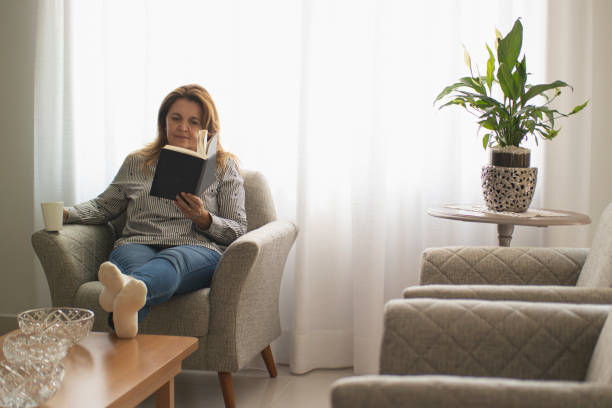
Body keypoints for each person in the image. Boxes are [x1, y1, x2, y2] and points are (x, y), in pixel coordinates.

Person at [63, 84, 247, 338]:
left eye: (194, 121)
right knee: (136, 273)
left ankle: (122, 294)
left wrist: (204, 219)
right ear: (164, 122)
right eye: (176, 118)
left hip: (195, 248)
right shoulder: (138, 162)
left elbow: (238, 229)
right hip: (138, 243)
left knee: (171, 263)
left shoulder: (225, 167)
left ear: (207, 129)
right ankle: (126, 314)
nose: (183, 127)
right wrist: (67, 214)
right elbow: (104, 206)